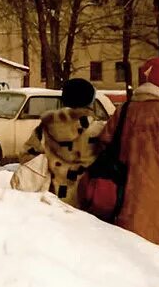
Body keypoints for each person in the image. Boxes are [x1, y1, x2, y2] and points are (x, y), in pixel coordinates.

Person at [98, 57, 159, 249]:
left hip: (122, 193)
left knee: (128, 250)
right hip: (158, 195)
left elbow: (105, 141)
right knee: (155, 253)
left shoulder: (125, 109)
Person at [20, 77, 106, 207]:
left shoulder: (46, 127)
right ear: (90, 101)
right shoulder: (99, 129)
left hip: (53, 201)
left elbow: (26, 155)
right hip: (89, 200)